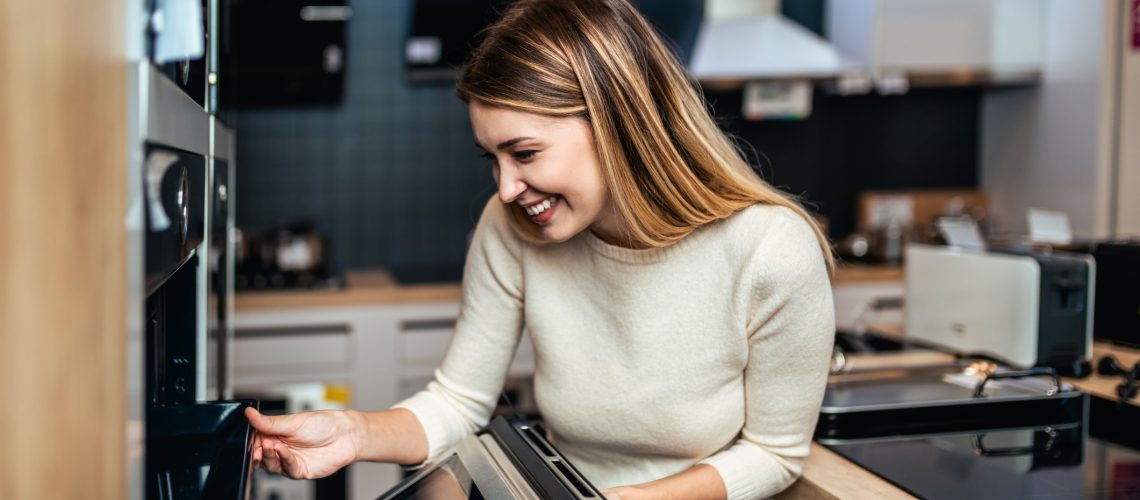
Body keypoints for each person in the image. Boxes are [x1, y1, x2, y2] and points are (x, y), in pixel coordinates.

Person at [244, 0, 836, 498]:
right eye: (493, 160)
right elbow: (460, 401)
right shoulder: (512, 226)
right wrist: (352, 434)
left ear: (617, 123)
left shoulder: (770, 249)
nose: (504, 189)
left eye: (525, 155)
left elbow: (774, 453)